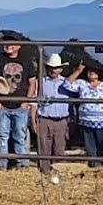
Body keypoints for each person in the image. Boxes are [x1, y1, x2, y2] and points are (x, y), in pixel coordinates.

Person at [64, 62, 103, 166]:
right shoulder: (82, 83)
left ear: (99, 73)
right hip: (86, 121)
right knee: (91, 148)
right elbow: (66, 84)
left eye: (95, 71)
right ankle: (94, 167)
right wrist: (78, 70)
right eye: (90, 70)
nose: (92, 73)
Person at [0, 43, 37, 170]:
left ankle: (21, 165)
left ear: (18, 46)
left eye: (12, 43)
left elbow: (32, 82)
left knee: (20, 136)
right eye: (6, 42)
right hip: (2, 105)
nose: (8, 45)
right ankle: (1, 166)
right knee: (2, 136)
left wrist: (26, 101)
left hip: (20, 106)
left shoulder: (26, 61)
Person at [35, 53, 78, 182]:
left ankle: (58, 172)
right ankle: (44, 173)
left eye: (56, 68)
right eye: (51, 67)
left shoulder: (67, 83)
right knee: (44, 147)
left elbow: (72, 103)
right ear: (48, 68)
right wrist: (33, 119)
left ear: (61, 69)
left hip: (61, 119)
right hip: (45, 118)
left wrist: (72, 120)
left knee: (59, 147)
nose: (54, 70)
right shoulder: (41, 82)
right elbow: (34, 102)